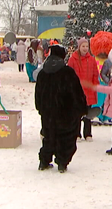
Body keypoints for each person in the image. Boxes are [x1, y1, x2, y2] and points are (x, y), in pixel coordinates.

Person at [35, 45, 87, 173]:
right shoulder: (68, 72)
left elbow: (38, 95)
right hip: (66, 114)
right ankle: (62, 162)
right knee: (66, 138)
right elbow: (76, 93)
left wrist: (41, 109)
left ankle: (44, 161)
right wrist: (81, 109)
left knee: (49, 136)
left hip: (48, 114)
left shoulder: (42, 73)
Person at [67, 37, 100, 141]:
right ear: (79, 47)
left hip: (88, 90)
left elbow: (95, 74)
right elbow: (69, 74)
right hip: (77, 90)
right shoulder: (73, 59)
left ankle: (88, 133)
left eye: (86, 46)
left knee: (88, 113)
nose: (85, 48)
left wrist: (95, 85)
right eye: (83, 46)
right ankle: (76, 133)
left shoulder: (92, 59)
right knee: (76, 113)